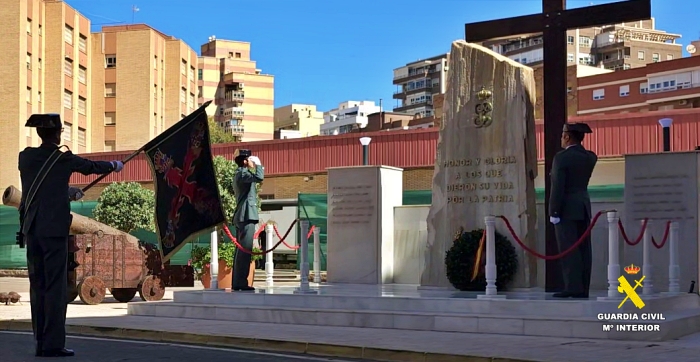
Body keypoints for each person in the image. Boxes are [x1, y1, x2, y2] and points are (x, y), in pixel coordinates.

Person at [18, 114, 124, 357]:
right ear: (58, 134)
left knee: (38, 287)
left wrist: (66, 192)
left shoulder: (25, 157)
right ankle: (53, 345)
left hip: (32, 229)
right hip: (54, 231)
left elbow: (44, 187)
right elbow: (90, 167)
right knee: (55, 289)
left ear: (39, 133)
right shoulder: (62, 158)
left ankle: (40, 343)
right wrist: (113, 166)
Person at [549, 122, 598, 299]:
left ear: (568, 137)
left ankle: (572, 287)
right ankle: (583, 287)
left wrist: (554, 212)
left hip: (566, 209)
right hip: (583, 206)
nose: (561, 138)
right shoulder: (590, 156)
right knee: (584, 249)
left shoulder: (561, 158)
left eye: (563, 135)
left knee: (569, 248)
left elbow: (558, 187)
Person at [231, 149, 264, 291]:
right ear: (245, 161)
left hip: (243, 215)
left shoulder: (241, 174)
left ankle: (238, 282)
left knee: (241, 251)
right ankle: (240, 283)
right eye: (249, 159)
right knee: (244, 251)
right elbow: (259, 177)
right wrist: (258, 165)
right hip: (246, 215)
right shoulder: (243, 173)